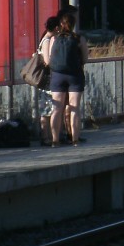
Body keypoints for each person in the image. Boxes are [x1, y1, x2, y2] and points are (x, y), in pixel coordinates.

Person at [46, 10, 88, 146]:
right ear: (73, 24)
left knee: (57, 109)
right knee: (74, 108)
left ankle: (55, 140)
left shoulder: (54, 39)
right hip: (75, 76)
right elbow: (85, 59)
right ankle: (75, 140)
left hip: (57, 76)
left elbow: (49, 60)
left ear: (61, 24)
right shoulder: (79, 38)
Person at [36, 15, 59, 146]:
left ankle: (48, 136)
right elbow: (47, 61)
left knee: (48, 107)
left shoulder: (46, 38)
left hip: (47, 79)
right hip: (46, 79)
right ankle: (45, 137)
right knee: (46, 108)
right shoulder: (46, 40)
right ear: (56, 28)